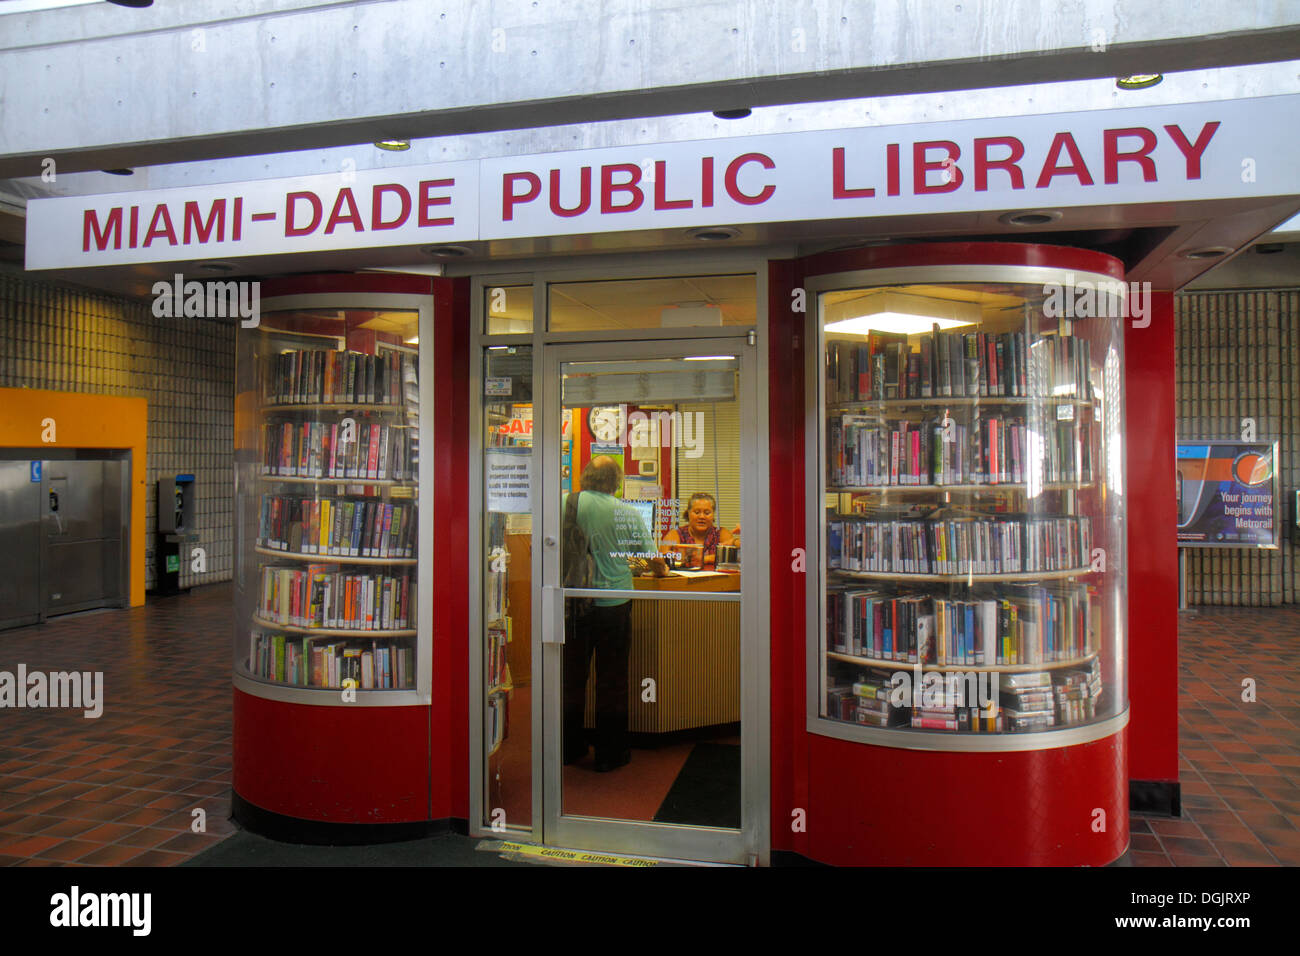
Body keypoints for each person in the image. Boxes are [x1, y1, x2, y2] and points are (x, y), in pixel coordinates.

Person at [562, 456, 667, 772]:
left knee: (571, 679)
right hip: (614, 606)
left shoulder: (564, 502)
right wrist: (658, 569)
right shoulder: (627, 512)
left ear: (585, 477)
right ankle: (610, 753)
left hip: (574, 603)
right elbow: (652, 562)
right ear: (617, 483)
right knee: (612, 680)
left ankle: (569, 747)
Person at [660, 492, 738, 569]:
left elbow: (731, 559)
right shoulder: (675, 534)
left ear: (713, 515)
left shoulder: (722, 533)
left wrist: (703, 559)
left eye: (707, 513)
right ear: (688, 513)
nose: (701, 516)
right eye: (697, 512)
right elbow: (660, 561)